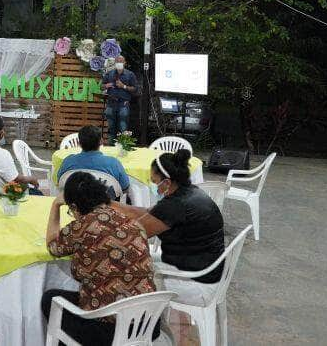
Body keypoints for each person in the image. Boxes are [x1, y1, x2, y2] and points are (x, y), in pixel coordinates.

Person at [42, 172, 159, 344]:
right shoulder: (133, 223)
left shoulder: (81, 226)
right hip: (148, 322)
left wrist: (55, 206)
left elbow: (53, 246)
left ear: (74, 207)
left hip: (110, 329)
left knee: (51, 299)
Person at [113, 149, 225, 305]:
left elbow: (131, 235)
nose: (153, 186)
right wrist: (109, 203)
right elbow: (147, 213)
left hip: (195, 283)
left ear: (166, 182)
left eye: (153, 181)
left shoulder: (175, 205)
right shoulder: (191, 192)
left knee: (120, 263)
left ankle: (135, 322)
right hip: (207, 271)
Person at [57, 125, 129, 200]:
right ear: (101, 141)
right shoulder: (113, 163)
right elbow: (125, 188)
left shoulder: (68, 162)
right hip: (106, 209)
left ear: (79, 143)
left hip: (75, 209)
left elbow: (60, 184)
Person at [102, 55, 137, 144]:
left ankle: (123, 148)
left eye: (121, 62)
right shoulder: (109, 74)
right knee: (111, 128)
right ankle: (111, 148)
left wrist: (123, 86)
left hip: (123, 104)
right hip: (110, 104)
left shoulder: (130, 74)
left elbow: (135, 89)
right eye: (117, 61)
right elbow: (101, 86)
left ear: (125, 63)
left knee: (123, 128)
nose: (119, 63)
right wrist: (106, 85)